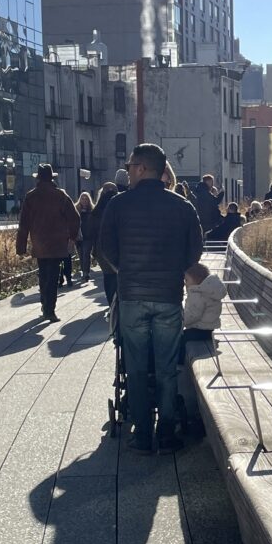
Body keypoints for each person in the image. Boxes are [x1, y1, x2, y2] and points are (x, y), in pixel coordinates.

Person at [99, 144, 203, 454]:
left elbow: (106, 247)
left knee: (137, 368)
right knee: (167, 369)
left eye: (130, 165)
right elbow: (194, 251)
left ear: (142, 168)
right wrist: (174, 272)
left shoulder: (119, 205)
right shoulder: (183, 206)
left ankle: (142, 436)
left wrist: (126, 271)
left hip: (132, 297)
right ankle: (167, 434)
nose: (128, 170)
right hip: (168, 297)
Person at [16, 164, 80, 323]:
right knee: (53, 276)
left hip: (39, 242)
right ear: (52, 178)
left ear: (38, 178)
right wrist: (72, 237)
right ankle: (49, 309)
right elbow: (75, 218)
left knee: (43, 273)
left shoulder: (31, 196)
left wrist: (21, 247)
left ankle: (45, 304)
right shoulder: (60, 195)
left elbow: (23, 223)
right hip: (58, 242)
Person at [179, 262, 227, 363]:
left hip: (199, 330)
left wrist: (179, 322)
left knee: (179, 339)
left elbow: (193, 315)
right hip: (208, 330)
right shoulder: (208, 291)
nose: (185, 283)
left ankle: (180, 362)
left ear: (196, 280)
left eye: (187, 280)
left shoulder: (198, 294)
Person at [88, 182, 119, 310]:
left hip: (102, 249)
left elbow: (91, 232)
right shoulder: (119, 206)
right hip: (119, 247)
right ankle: (118, 302)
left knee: (108, 276)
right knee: (118, 276)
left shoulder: (96, 211)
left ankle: (111, 301)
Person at [75, 191, 94, 282]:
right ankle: (83, 270)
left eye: (86, 198)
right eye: (82, 198)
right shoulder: (76, 209)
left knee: (86, 254)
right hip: (79, 236)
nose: (84, 200)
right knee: (81, 255)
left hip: (88, 236)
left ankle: (86, 273)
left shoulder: (92, 209)